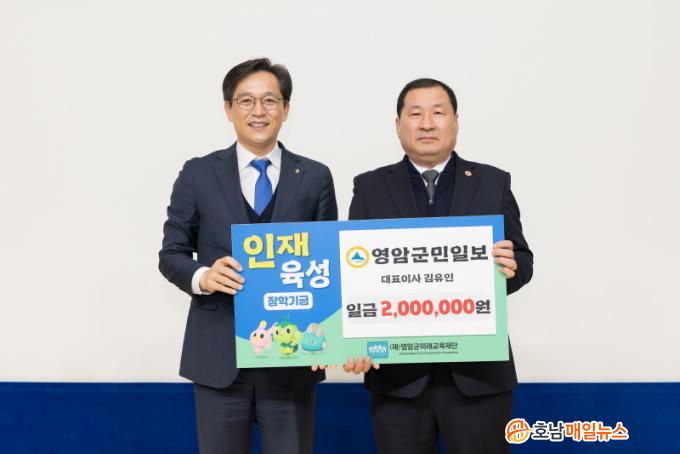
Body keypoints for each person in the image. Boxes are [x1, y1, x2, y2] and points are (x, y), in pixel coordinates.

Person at [343, 78, 533, 453]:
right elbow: (353, 275)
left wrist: (510, 268)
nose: (427, 123)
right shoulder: (370, 187)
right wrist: (354, 340)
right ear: (398, 125)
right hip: (398, 381)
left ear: (456, 121)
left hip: (478, 379)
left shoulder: (492, 182)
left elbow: (523, 260)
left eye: (438, 113)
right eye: (415, 114)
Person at [159, 58, 337, 454]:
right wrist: (203, 276)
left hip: (292, 359)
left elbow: (328, 264)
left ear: (286, 109)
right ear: (229, 109)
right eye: (246, 101)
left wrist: (329, 339)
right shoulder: (198, 173)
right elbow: (171, 253)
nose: (259, 111)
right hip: (218, 357)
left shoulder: (315, 176)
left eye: (270, 100)